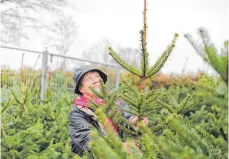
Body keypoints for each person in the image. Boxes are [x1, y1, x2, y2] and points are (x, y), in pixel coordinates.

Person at [69, 65, 148, 157]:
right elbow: (87, 138)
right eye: (88, 79)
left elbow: (126, 116)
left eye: (97, 76)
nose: (95, 81)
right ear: (81, 88)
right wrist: (119, 146)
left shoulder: (115, 101)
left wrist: (133, 120)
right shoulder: (77, 113)